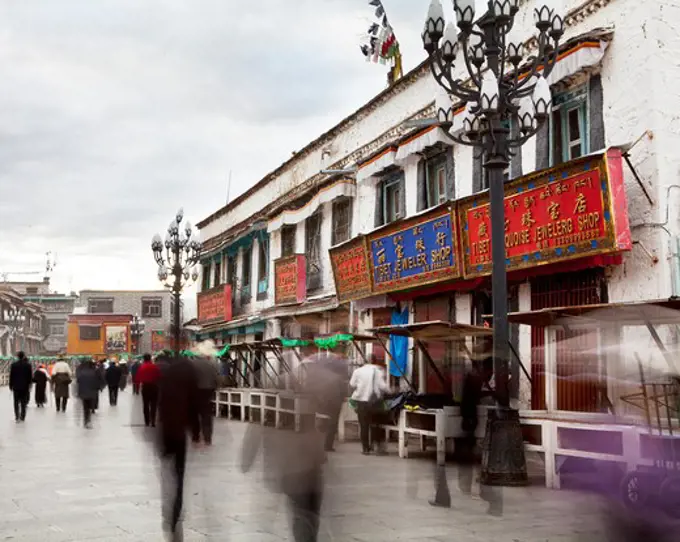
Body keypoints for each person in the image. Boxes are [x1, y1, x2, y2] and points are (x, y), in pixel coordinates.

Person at [156, 355, 198, 539]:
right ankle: (176, 507)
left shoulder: (165, 381)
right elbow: (194, 407)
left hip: (166, 432)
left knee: (167, 472)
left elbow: (161, 407)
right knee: (178, 473)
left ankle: (169, 506)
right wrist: (197, 433)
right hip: (179, 433)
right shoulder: (188, 383)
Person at [349, 355, 390, 455]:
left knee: (364, 426)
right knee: (376, 425)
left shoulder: (358, 371)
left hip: (361, 402)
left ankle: (365, 448)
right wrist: (391, 390)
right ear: (375, 360)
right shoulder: (379, 370)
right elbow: (383, 386)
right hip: (375, 402)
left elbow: (352, 384)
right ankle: (378, 448)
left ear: (365, 361)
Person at [192, 354, 219, 446]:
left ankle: (196, 436)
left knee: (194, 414)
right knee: (207, 415)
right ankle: (207, 438)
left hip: (195, 392)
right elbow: (217, 379)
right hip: (208, 392)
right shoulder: (211, 364)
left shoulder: (192, 364)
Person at [136, 353, 161, 427]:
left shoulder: (142, 367)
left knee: (146, 405)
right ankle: (153, 420)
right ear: (150, 358)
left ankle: (147, 421)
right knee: (154, 405)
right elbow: (159, 376)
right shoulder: (155, 367)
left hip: (145, 387)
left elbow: (138, 378)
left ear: (144, 359)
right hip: (154, 387)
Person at [9, 351, 33, 423]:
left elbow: (11, 376)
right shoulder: (28, 365)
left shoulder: (13, 365)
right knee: (23, 402)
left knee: (16, 402)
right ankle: (23, 416)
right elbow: (30, 376)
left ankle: (17, 416)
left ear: (17, 356)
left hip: (16, 386)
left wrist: (10, 385)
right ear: (23, 356)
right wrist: (29, 384)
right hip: (25, 386)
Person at [76, 359, 100, 428]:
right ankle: (88, 420)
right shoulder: (95, 371)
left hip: (84, 392)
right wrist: (98, 388)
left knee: (85, 407)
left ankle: (86, 420)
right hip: (92, 392)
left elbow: (78, 381)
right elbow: (98, 381)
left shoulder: (81, 372)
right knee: (90, 406)